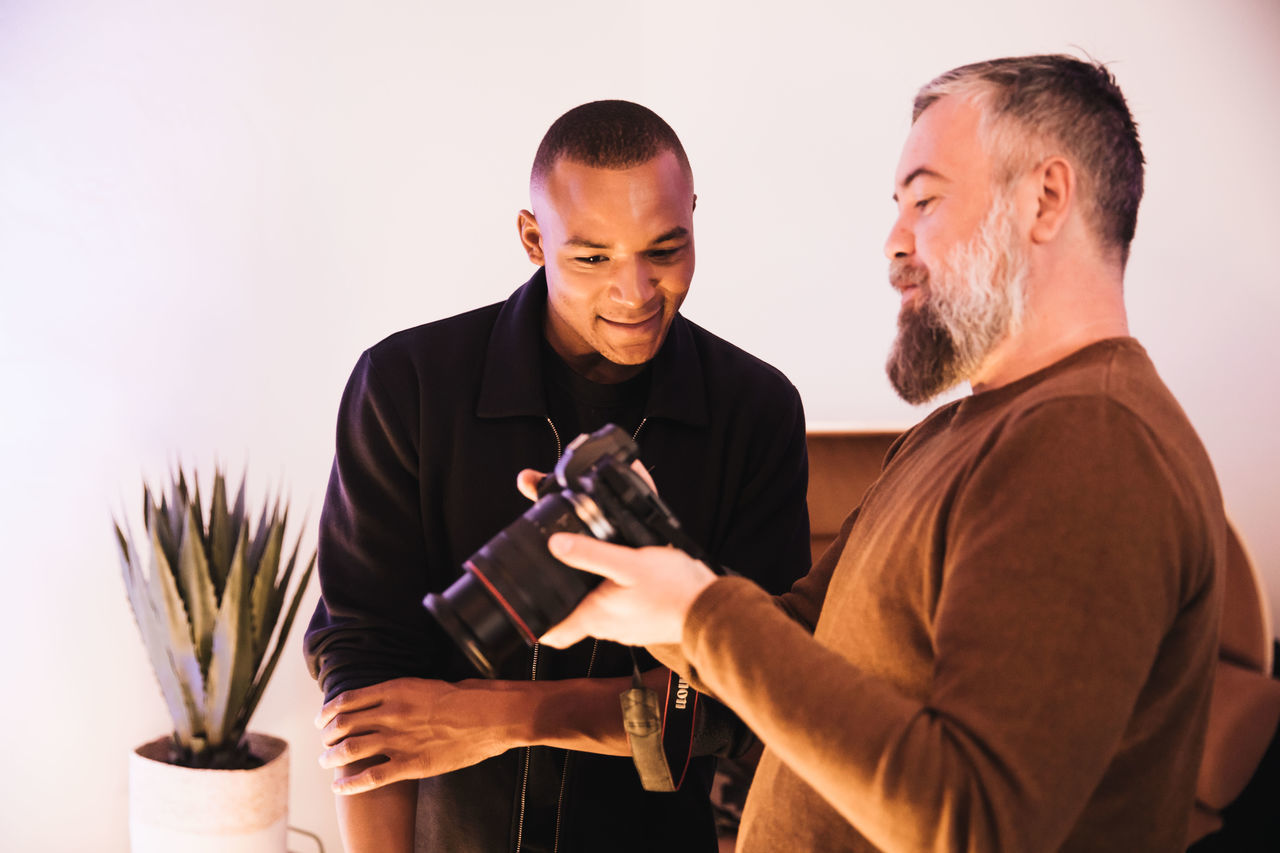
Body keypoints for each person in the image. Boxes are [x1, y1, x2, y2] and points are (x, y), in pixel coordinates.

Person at [539, 56, 1226, 852]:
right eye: (897, 207)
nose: (895, 242)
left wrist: (698, 609)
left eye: (926, 200)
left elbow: (973, 820)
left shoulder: (1093, 441)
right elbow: (794, 633)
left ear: (1045, 199)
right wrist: (640, 555)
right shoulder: (957, 434)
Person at [303, 100, 811, 853]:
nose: (635, 292)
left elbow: (749, 700)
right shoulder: (405, 384)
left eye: (665, 251)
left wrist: (497, 714)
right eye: (592, 257)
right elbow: (368, 671)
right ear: (534, 239)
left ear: (695, 218)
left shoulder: (756, 410)